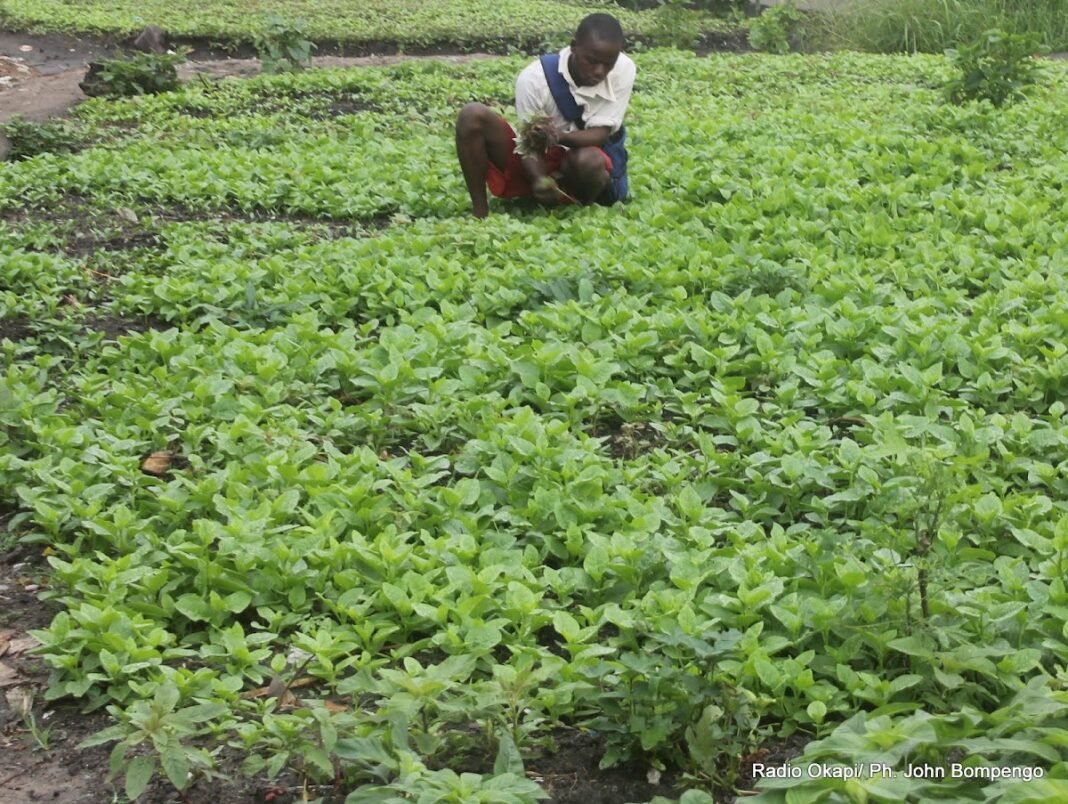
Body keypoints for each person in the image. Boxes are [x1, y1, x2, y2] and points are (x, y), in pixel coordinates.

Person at [455, 13, 635, 218]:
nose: (599, 71)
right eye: (591, 61)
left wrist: (560, 136)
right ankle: (480, 213)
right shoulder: (533, 79)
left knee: (588, 159)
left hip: (584, 166)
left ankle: (580, 208)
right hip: (538, 156)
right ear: (574, 46)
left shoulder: (623, 69)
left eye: (607, 64)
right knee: (472, 115)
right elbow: (526, 143)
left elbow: (601, 134)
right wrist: (539, 179)